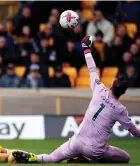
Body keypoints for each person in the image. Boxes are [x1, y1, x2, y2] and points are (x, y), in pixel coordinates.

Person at [13, 36, 140, 164]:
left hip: (76, 142)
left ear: (111, 86)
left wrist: (86, 49)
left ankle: (34, 157)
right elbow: (134, 131)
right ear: (123, 93)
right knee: (125, 158)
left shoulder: (99, 90)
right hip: (95, 150)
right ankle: (89, 161)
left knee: (52, 158)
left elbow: (91, 68)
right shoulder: (120, 109)